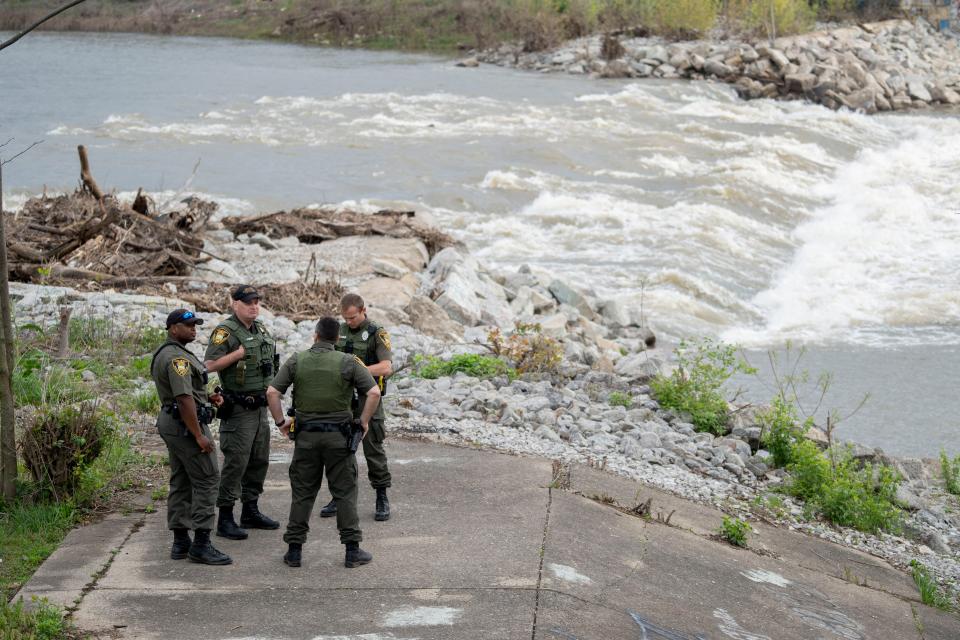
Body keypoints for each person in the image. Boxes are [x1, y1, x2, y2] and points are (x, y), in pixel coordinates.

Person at [267, 316, 380, 568]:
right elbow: (372, 392)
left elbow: (273, 392)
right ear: (337, 339)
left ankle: (294, 551)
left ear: (315, 336)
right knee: (344, 492)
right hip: (339, 439)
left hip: (306, 437)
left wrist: (280, 422)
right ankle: (352, 551)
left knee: (303, 492)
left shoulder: (297, 359)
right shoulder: (348, 361)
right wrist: (363, 421)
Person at [150, 308, 231, 566]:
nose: (194, 329)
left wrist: (208, 397)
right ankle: (201, 544)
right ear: (173, 328)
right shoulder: (177, 359)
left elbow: (187, 393)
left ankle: (181, 541)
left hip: (175, 421)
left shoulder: (172, 353)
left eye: (196, 325)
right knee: (208, 477)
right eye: (188, 325)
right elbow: (183, 399)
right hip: (184, 425)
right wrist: (199, 435)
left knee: (182, 478)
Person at [204, 284, 280, 540]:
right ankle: (225, 518)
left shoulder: (260, 330)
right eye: (248, 302)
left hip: (260, 408)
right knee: (237, 462)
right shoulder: (225, 332)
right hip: (238, 409)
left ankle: (250, 510)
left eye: (257, 302)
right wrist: (236, 354)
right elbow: (210, 364)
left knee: (259, 460)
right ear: (234, 303)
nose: (254, 306)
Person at [319, 293, 393, 522]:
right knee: (339, 450)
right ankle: (338, 496)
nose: (349, 322)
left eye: (352, 318)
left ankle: (381, 495)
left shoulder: (376, 333)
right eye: (346, 318)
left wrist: (357, 371)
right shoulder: (337, 331)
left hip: (367, 398)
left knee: (373, 448)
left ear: (363, 310)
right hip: (342, 399)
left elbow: (385, 367)